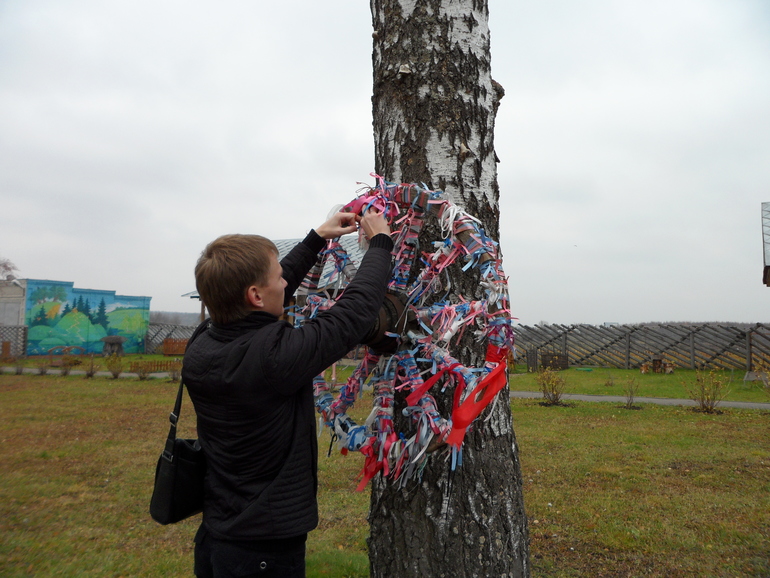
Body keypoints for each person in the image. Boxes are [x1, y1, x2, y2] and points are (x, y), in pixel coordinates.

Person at [182, 209, 393, 578]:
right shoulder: (273, 359)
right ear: (254, 295)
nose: (285, 282)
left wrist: (316, 238)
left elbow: (267, 294)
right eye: (278, 277)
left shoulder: (202, 342)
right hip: (263, 552)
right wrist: (380, 244)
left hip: (219, 533)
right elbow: (352, 316)